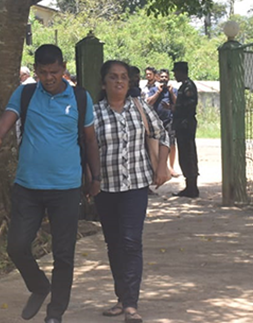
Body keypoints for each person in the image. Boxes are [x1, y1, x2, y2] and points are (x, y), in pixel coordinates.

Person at [0, 44, 101, 323]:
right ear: (35, 71)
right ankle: (38, 286)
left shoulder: (81, 98)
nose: (49, 78)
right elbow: (4, 124)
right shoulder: (25, 93)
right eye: (43, 72)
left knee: (63, 254)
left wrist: (95, 178)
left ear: (64, 69)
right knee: (17, 246)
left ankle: (55, 313)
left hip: (67, 188)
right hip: (28, 186)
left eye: (54, 72)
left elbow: (90, 139)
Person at [93, 60, 170, 323]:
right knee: (114, 244)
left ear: (129, 82)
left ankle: (131, 304)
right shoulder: (93, 113)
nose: (119, 82)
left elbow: (162, 134)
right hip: (106, 188)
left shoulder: (140, 109)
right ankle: (121, 297)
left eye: (123, 77)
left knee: (131, 242)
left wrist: (162, 167)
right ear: (104, 83)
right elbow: (85, 147)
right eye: (113, 77)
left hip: (135, 186)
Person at [172, 62, 200, 198]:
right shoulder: (184, 86)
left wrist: (175, 109)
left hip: (186, 124)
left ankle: (192, 187)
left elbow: (189, 106)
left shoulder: (188, 86)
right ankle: (189, 186)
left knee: (188, 154)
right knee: (184, 154)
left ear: (181, 72)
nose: (174, 75)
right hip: (182, 124)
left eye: (176, 72)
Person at [147, 69, 178, 176]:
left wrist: (170, 93)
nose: (164, 79)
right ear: (158, 78)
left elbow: (177, 103)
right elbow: (149, 102)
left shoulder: (173, 90)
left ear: (169, 78)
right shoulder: (154, 90)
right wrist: (158, 92)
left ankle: (171, 167)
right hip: (156, 122)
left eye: (166, 77)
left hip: (169, 121)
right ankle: (158, 168)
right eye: (162, 77)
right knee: (156, 145)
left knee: (172, 144)